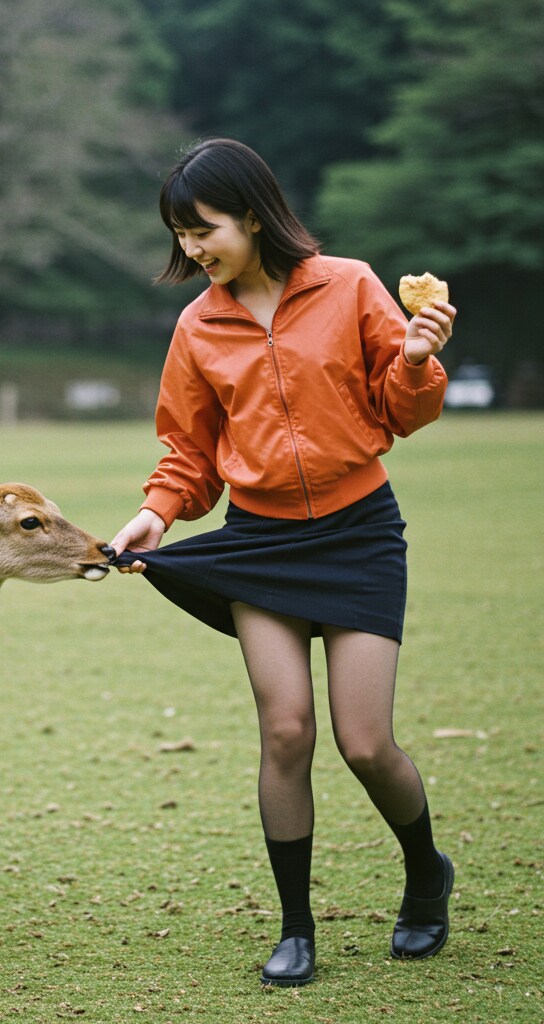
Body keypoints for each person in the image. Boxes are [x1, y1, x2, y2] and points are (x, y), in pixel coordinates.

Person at [109, 138, 457, 987]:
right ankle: (297, 926)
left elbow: (403, 413)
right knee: (287, 728)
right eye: (180, 234)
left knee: (366, 741)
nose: (192, 248)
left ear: (254, 215)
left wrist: (414, 359)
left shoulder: (349, 285)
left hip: (359, 532)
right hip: (261, 543)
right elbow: (187, 451)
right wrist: (155, 514)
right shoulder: (198, 325)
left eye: (204, 228)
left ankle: (425, 873)